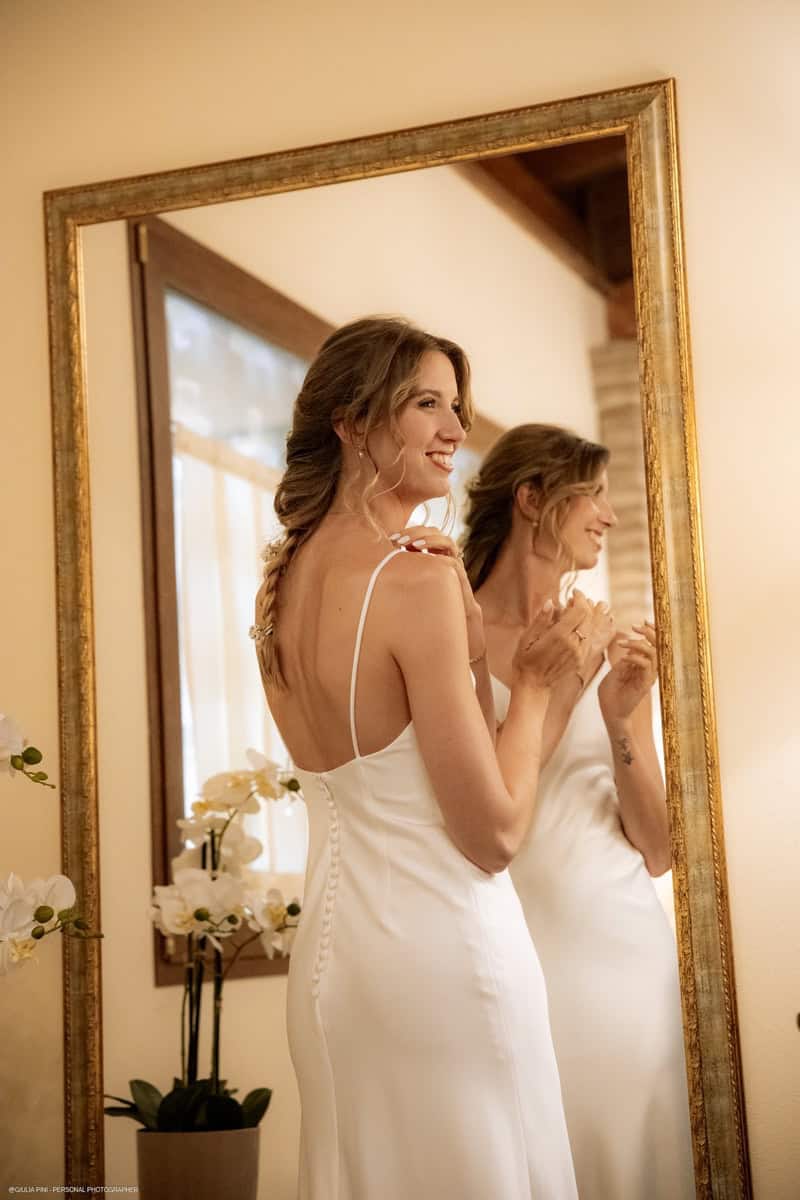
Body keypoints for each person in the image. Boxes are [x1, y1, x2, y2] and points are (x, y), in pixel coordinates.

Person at [251, 319, 584, 1200]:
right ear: (353, 423)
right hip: (444, 957)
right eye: (426, 404)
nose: (455, 429)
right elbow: (494, 835)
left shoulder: (280, 588)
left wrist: (469, 634)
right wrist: (536, 686)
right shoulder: (414, 580)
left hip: (333, 975)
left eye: (457, 406)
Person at [460, 423, 695, 1200]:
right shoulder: (451, 639)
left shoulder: (606, 638)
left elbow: (659, 850)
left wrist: (622, 719)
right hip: (508, 952)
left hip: (623, 952)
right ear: (532, 498)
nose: (610, 515)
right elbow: (485, 818)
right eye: (591, 493)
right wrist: (555, 688)